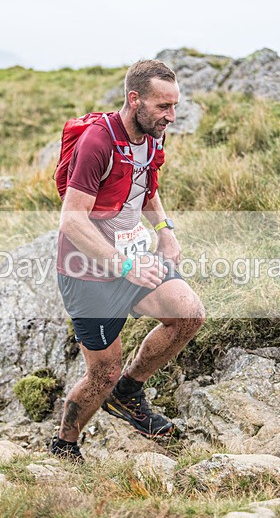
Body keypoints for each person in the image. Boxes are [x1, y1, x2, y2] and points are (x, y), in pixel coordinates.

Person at [50, 59, 206, 463]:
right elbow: (71, 220)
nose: (171, 116)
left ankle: (129, 392)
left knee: (188, 314)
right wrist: (123, 265)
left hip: (132, 257)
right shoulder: (98, 142)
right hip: (88, 272)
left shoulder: (152, 136)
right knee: (102, 373)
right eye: (163, 106)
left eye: (175, 106)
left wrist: (164, 230)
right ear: (134, 99)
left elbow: (145, 186)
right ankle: (65, 444)